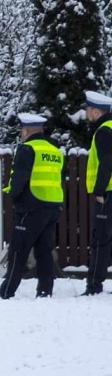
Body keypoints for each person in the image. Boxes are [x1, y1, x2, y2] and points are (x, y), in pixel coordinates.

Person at [0, 113, 64, 299]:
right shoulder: (54, 151)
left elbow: (19, 178)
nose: (21, 134)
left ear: (26, 131)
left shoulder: (27, 149)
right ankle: (45, 291)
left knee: (18, 250)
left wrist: (14, 197)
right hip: (52, 206)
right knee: (44, 251)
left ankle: (7, 291)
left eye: (22, 131)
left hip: (31, 206)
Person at [84, 90, 112, 295]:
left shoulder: (103, 130)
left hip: (108, 193)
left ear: (95, 111)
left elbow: (107, 161)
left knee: (100, 239)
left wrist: (99, 189)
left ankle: (94, 284)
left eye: (88, 110)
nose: (86, 114)